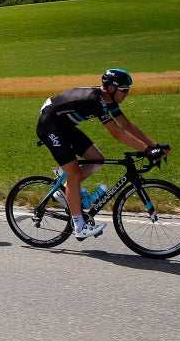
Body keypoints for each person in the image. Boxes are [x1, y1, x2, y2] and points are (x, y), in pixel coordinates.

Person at [38, 68, 168, 241]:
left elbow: (126, 125)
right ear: (112, 88)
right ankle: (79, 226)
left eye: (128, 89)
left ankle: (65, 191)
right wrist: (146, 150)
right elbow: (117, 133)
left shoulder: (108, 100)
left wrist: (154, 145)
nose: (127, 93)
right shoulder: (95, 100)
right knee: (75, 173)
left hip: (64, 126)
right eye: (124, 89)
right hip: (49, 124)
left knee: (97, 159)